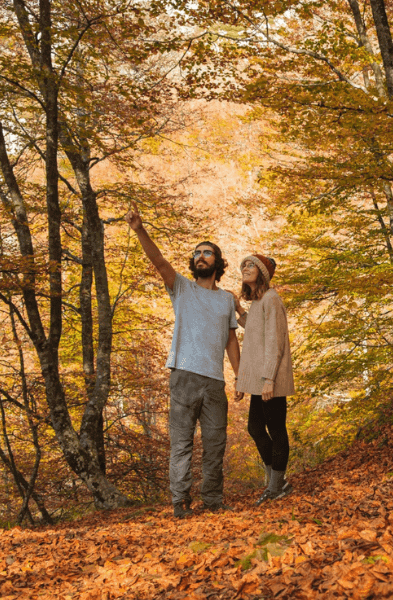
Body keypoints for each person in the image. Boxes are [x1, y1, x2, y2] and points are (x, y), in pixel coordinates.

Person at [127, 205, 242, 518]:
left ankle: (213, 501)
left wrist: (240, 377)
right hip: (183, 377)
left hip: (215, 381)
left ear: (218, 262)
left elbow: (231, 339)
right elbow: (158, 260)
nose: (200, 256)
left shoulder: (226, 299)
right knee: (181, 443)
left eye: (207, 253)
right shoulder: (181, 288)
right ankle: (180, 503)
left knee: (216, 443)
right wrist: (139, 229)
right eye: (196, 253)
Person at [236, 254, 296, 505]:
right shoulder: (259, 302)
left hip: (270, 379)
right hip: (260, 380)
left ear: (262, 272)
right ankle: (276, 482)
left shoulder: (271, 299)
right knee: (255, 428)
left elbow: (274, 341)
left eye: (251, 265)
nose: (245, 268)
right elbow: (254, 329)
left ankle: (275, 486)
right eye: (244, 265)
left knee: (276, 428)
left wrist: (269, 379)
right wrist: (238, 310)